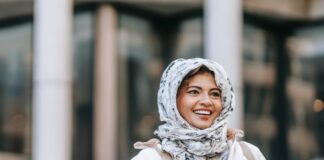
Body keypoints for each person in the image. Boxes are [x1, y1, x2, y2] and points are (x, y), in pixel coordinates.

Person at [131, 58, 266, 160]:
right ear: (172, 100)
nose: (206, 101)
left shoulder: (248, 154)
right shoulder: (151, 158)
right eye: (194, 92)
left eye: (214, 94)